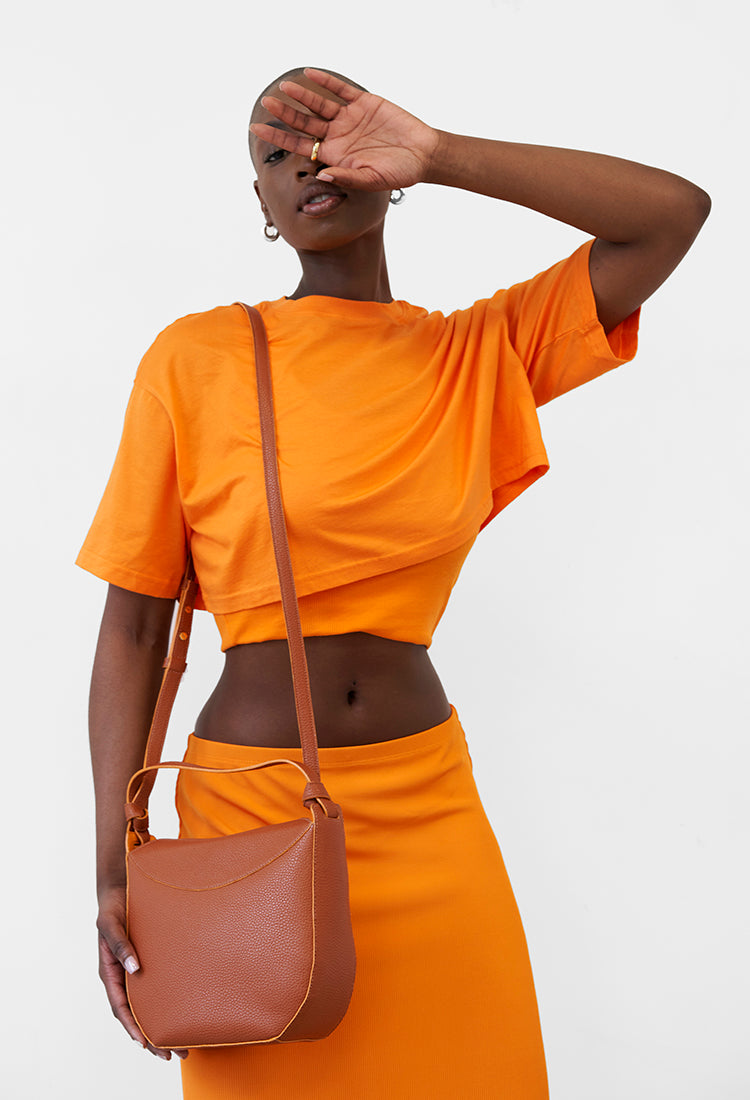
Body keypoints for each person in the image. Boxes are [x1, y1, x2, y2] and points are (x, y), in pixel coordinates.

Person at [78, 66, 710, 1099]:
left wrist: (444, 151)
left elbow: (672, 217)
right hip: (251, 818)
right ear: (261, 208)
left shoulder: (475, 352)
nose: (305, 168)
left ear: (382, 165)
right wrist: (114, 857)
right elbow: (133, 630)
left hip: (429, 812)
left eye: (326, 140)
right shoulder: (194, 359)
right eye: (276, 157)